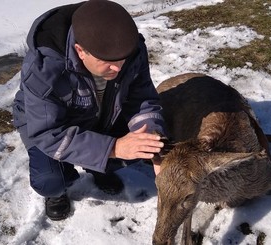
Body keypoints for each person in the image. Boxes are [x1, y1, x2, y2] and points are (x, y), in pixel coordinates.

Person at [12, 0, 166, 221]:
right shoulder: (44, 67)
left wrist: (150, 136)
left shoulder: (130, 49)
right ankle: (57, 193)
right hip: (46, 124)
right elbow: (48, 134)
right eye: (108, 62)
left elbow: (142, 97)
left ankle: (99, 168)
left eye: (123, 60)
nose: (118, 68)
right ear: (80, 51)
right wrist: (114, 147)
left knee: (136, 149)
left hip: (101, 113)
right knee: (50, 180)